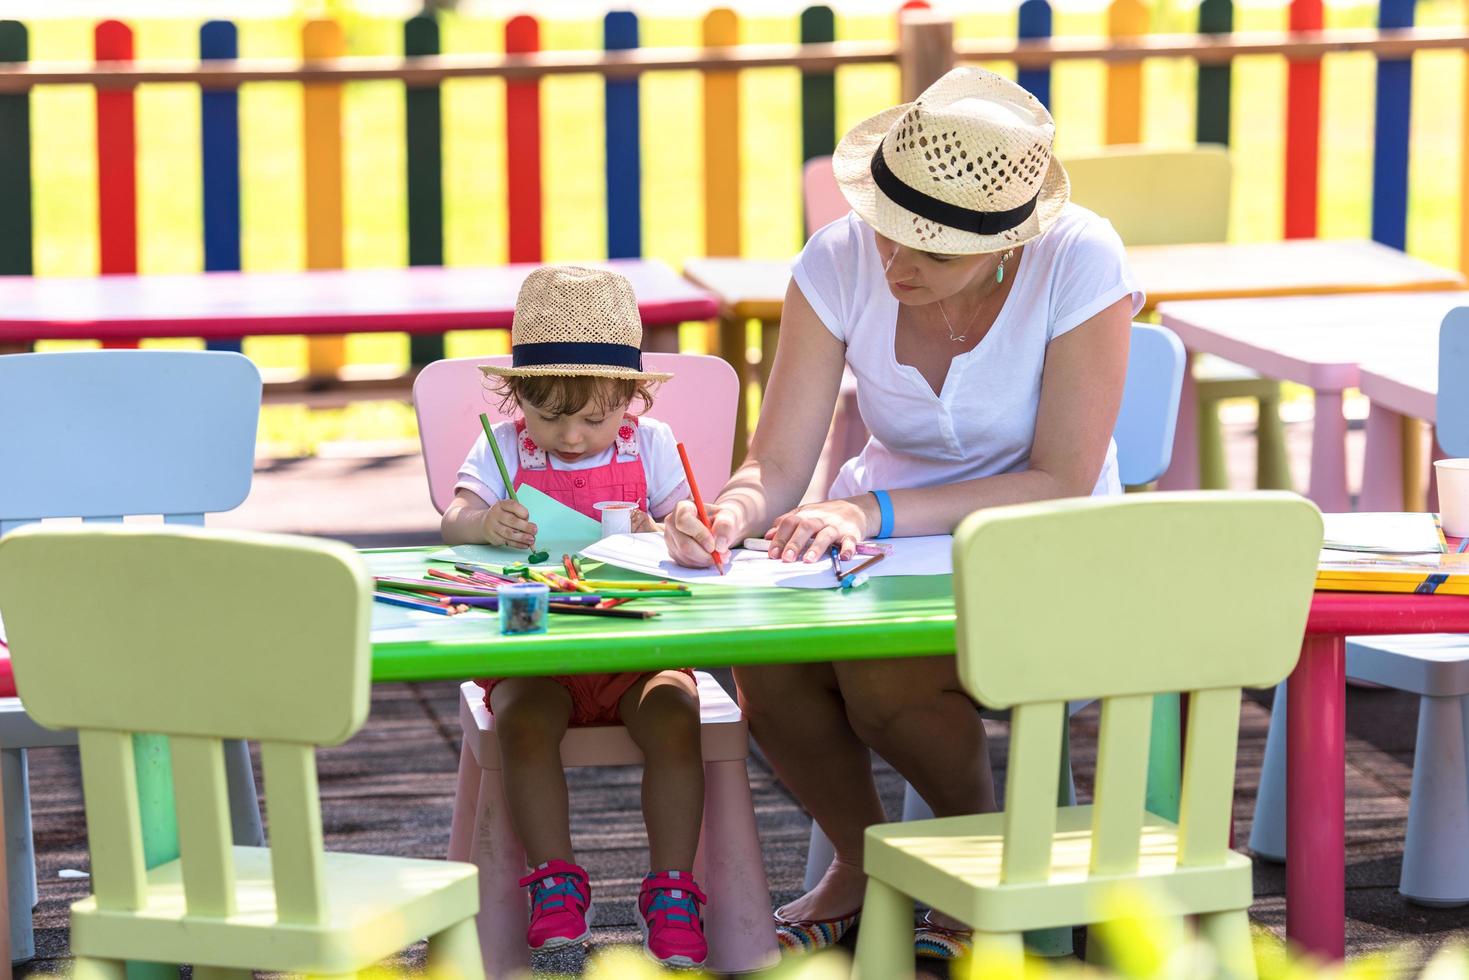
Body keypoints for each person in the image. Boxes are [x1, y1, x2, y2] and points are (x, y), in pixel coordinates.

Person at [664, 67, 1144, 959]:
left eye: (931, 251)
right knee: (766, 659)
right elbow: (776, 461)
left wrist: (869, 509)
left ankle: (971, 866)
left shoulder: (1082, 258)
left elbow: (1059, 480)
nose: (894, 263)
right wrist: (727, 511)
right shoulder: (835, 258)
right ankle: (864, 857)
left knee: (881, 672)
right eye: (887, 231)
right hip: (882, 549)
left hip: (1047, 552)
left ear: (1009, 240)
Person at [443, 265, 707, 968]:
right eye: (549, 416)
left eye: (594, 418)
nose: (570, 437)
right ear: (517, 398)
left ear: (630, 400)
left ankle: (673, 887)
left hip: (637, 654)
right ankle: (555, 880)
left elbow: (687, 517)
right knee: (521, 727)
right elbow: (453, 520)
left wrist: (679, 525)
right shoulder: (502, 447)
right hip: (538, 653)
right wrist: (484, 523)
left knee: (679, 718)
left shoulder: (649, 446)